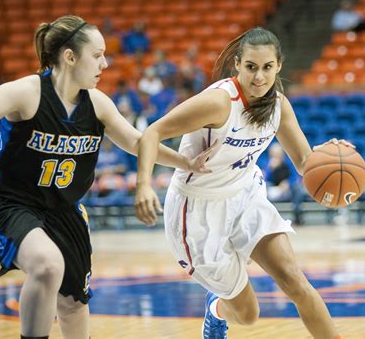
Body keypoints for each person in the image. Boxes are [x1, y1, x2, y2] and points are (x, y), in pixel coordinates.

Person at [0, 15, 211, 339]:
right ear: (70, 57)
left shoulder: (98, 104)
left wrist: (186, 161)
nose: (106, 62)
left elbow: (138, 143)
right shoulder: (27, 93)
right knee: (47, 266)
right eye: (97, 55)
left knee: (73, 303)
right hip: (11, 204)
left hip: (65, 210)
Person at [135, 27, 344, 339]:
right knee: (248, 315)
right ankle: (216, 309)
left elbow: (304, 162)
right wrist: (144, 185)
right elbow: (152, 133)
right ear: (237, 64)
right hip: (197, 210)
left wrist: (335, 163)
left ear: (279, 67)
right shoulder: (218, 103)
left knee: (294, 280)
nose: (259, 77)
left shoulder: (278, 106)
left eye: (267, 68)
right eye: (251, 67)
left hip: (245, 195)